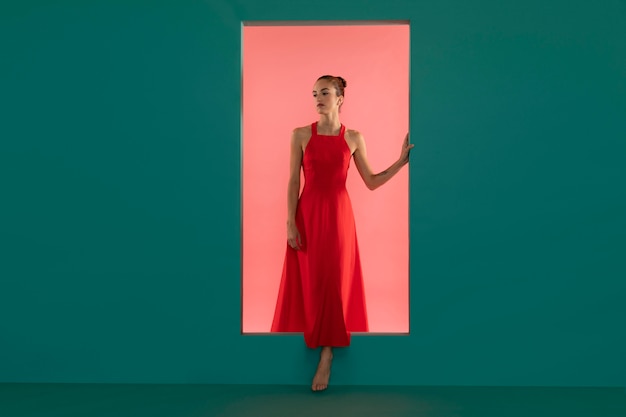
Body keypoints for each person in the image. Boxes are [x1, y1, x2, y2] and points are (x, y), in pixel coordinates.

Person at [271, 75, 413, 392]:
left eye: (324, 93)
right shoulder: (299, 135)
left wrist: (401, 162)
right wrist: (290, 221)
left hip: (339, 217)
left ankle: (327, 355)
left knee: (334, 282)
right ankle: (313, 346)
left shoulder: (354, 138)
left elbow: (372, 181)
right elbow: (293, 181)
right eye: (314, 94)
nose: (317, 98)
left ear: (340, 98)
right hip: (307, 215)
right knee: (312, 280)